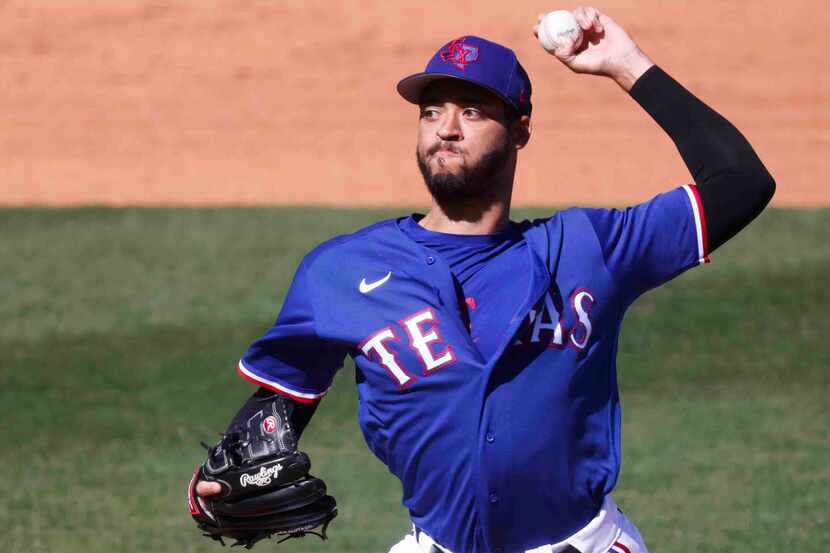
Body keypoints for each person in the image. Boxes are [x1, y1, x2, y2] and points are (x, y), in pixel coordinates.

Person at [194, 6, 775, 553]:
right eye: (432, 111)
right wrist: (219, 477)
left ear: (520, 131)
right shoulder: (343, 271)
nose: (446, 128)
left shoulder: (589, 248)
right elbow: (281, 403)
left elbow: (741, 183)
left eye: (471, 111)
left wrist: (627, 64)